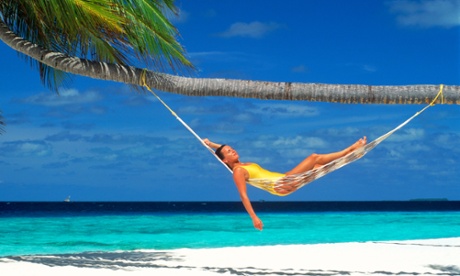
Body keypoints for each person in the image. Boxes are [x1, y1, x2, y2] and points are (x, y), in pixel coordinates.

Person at [203, 137, 367, 230]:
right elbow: (243, 195)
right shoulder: (238, 172)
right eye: (229, 152)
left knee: (318, 167)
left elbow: (222, 152)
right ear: (225, 160)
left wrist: (212, 145)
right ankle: (350, 150)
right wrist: (254, 218)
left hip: (284, 178)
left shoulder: (243, 164)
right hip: (280, 185)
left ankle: (351, 157)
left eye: (232, 148)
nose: (233, 150)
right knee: (314, 158)